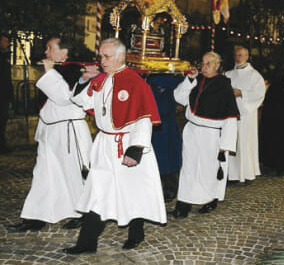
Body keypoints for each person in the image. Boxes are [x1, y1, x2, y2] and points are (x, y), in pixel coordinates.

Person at [63, 38, 165, 254]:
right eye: (100, 56)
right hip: (104, 144)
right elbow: (84, 102)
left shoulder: (135, 83)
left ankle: (136, 233)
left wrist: (136, 148)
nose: (102, 61)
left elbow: (143, 118)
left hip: (127, 142)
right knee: (97, 190)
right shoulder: (100, 80)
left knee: (132, 190)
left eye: (107, 57)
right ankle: (87, 243)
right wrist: (84, 80)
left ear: (121, 57)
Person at [8, 37, 93, 232]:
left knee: (75, 174)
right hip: (51, 129)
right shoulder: (59, 70)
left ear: (64, 53)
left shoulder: (76, 71)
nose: (46, 52)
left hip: (69, 131)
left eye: (49, 48)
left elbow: (64, 98)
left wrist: (49, 72)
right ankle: (36, 217)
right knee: (43, 174)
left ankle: (84, 213)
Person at [170, 52, 239, 218]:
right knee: (189, 167)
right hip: (192, 130)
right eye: (203, 63)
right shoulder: (197, 80)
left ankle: (210, 199)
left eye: (209, 63)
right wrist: (190, 80)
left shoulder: (223, 85)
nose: (204, 67)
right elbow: (179, 97)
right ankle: (184, 202)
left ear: (217, 66)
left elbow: (230, 117)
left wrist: (225, 146)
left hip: (211, 134)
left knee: (208, 168)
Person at [225, 46, 266, 183]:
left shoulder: (255, 75)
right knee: (231, 143)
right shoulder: (228, 74)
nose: (238, 58)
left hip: (246, 115)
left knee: (245, 143)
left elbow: (260, 93)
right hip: (230, 115)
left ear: (247, 56)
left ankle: (247, 173)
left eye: (241, 55)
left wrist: (242, 93)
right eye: (236, 55)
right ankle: (231, 174)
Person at [147, 74, 184, 203]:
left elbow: (178, 82)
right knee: (153, 157)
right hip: (149, 122)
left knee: (168, 157)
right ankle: (153, 188)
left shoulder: (168, 78)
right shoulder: (146, 79)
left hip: (166, 123)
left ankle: (170, 189)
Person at [0, 33, 11, 154]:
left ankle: (2, 144)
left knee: (3, 120)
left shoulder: (6, 56)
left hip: (4, 93)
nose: (6, 44)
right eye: (4, 41)